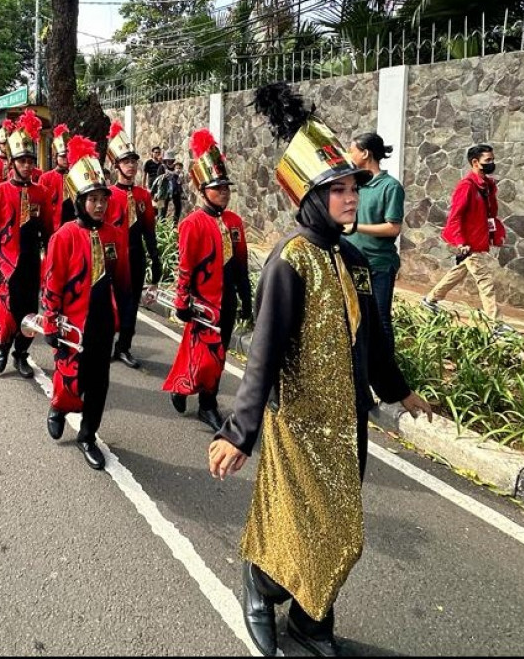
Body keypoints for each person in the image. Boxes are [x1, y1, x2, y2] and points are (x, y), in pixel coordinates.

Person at [209, 83, 432, 657]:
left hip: (348, 422)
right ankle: (261, 586)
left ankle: (310, 622)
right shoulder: (290, 261)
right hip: (299, 423)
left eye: (353, 186)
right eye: (337, 190)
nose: (351, 197)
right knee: (307, 525)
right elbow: (262, 353)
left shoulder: (353, 259)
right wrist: (239, 433)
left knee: (338, 534)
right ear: (311, 199)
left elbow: (374, 341)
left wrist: (401, 393)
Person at [41, 135, 130, 471]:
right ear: (79, 201)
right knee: (69, 379)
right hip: (71, 323)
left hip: (103, 322)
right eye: (91, 199)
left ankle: (88, 435)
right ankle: (58, 407)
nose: (99, 205)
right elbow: (53, 283)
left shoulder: (114, 234)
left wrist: (125, 326)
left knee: (99, 381)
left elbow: (122, 281)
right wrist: (50, 322)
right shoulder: (63, 236)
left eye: (102, 199)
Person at [163, 130, 252, 432]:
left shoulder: (234, 222)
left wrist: (246, 298)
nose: (225, 192)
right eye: (218, 188)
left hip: (227, 299)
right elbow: (186, 265)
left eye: (227, 187)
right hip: (202, 301)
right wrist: (181, 300)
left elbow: (241, 263)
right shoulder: (192, 223)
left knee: (220, 352)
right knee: (203, 353)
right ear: (203, 190)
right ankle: (198, 398)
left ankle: (204, 400)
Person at [0, 109, 55, 379]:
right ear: (12, 162)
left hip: (31, 260)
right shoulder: (0, 192)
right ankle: (2, 347)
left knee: (30, 312)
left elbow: (49, 229)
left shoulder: (41, 192)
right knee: (10, 310)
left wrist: (52, 259)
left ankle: (21, 354)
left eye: (30, 161)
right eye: (21, 160)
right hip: (6, 260)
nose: (26, 165)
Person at [421, 143, 509, 334]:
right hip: (469, 244)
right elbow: (455, 216)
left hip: (478, 240)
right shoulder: (466, 187)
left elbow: (490, 213)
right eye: (488, 160)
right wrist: (461, 242)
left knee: (458, 272)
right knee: (485, 280)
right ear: (475, 162)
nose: (492, 163)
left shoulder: (487, 186)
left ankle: (430, 300)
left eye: (492, 159)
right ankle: (496, 324)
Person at [105, 121, 162, 369]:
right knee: (109, 303)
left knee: (131, 305)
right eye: (126, 161)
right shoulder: (106, 195)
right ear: (116, 165)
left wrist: (155, 258)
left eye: (133, 161)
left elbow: (149, 230)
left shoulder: (143, 196)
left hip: (136, 257)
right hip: (112, 258)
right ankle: (105, 343)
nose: (131, 165)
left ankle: (124, 346)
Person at [344, 133, 405, 350]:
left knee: (380, 318)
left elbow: (393, 228)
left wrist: (356, 228)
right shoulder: (355, 185)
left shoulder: (390, 187)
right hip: (355, 264)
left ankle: (387, 371)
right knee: (358, 315)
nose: (350, 155)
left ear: (365, 153)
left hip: (378, 265)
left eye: (352, 150)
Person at [37, 123, 72, 230]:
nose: (66, 159)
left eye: (68, 155)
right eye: (63, 156)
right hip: (53, 227)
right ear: (55, 157)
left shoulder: (75, 176)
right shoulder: (45, 178)